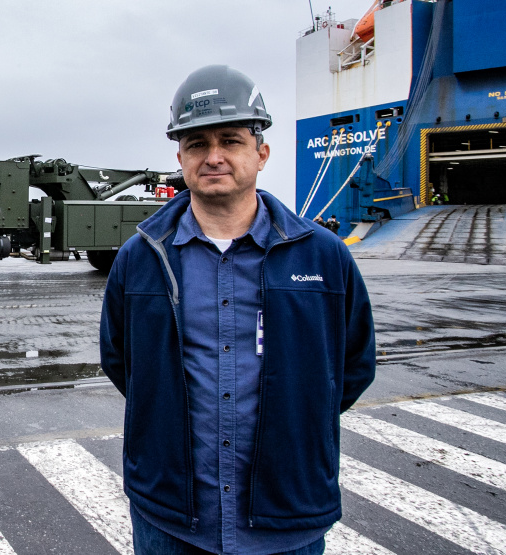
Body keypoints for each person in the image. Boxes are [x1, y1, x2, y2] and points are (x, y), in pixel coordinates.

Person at [100, 65, 375, 555]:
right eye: (197, 144)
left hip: (287, 515)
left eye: (231, 140)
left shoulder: (324, 257)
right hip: (171, 518)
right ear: (180, 157)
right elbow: (122, 364)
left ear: (261, 153)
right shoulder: (140, 259)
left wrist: (297, 420)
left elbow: (352, 368)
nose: (214, 157)